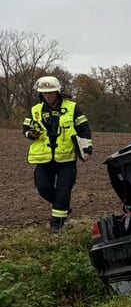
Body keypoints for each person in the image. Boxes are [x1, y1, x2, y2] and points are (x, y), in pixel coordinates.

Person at [22, 76, 93, 232]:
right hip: (44, 158)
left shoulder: (72, 108)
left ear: (57, 92)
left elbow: (84, 129)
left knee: (63, 191)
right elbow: (26, 129)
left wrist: (87, 150)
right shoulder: (35, 110)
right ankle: (63, 206)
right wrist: (31, 134)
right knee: (43, 187)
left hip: (66, 158)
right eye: (44, 93)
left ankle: (57, 225)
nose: (48, 96)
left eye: (51, 92)